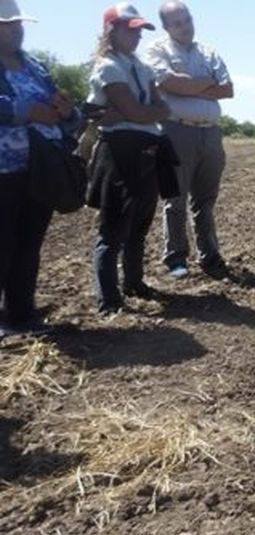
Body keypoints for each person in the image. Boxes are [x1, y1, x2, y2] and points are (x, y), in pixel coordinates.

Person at [88, 2, 177, 315]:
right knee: (113, 228)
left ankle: (134, 283)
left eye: (140, 31)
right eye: (131, 30)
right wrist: (143, 114)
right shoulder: (108, 66)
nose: (138, 36)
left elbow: (158, 108)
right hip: (119, 150)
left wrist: (139, 114)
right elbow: (139, 111)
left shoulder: (140, 66)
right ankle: (109, 300)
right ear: (112, 30)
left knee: (139, 223)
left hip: (147, 147)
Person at [0, 0, 80, 338]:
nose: (17, 29)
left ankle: (21, 314)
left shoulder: (35, 66)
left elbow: (66, 112)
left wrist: (66, 112)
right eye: (8, 24)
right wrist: (28, 111)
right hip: (4, 171)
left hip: (39, 169)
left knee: (28, 243)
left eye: (19, 23)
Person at [146, 1, 232, 280]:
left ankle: (210, 256)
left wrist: (188, 86)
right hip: (175, 130)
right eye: (177, 23)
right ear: (166, 27)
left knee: (205, 200)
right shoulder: (157, 50)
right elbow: (169, 83)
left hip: (210, 132)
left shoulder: (208, 51)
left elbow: (228, 89)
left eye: (187, 20)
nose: (185, 27)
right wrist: (207, 84)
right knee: (175, 199)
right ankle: (176, 258)